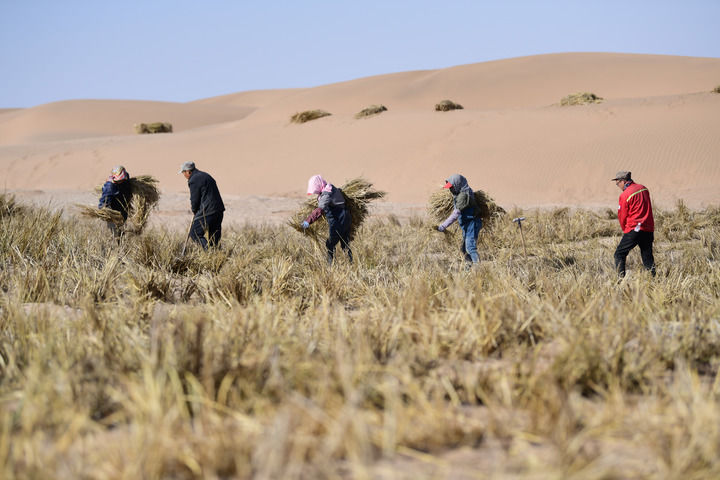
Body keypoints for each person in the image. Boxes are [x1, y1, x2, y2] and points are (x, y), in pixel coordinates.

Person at [612, 170, 656, 277]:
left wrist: (626, 230)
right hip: (648, 228)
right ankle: (653, 279)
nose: (618, 186)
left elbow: (622, 215)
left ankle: (620, 281)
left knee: (619, 254)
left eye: (618, 183)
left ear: (623, 181)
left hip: (634, 229)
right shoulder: (643, 188)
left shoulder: (625, 195)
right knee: (647, 256)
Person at [302, 175, 353, 264]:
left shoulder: (326, 194)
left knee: (330, 244)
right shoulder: (331, 188)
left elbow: (320, 209)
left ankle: (330, 264)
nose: (315, 192)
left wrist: (308, 221)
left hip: (338, 220)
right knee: (345, 243)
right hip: (346, 218)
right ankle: (350, 263)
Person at [437, 174, 482, 265]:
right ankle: (468, 268)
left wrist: (443, 226)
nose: (450, 190)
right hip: (467, 225)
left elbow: (456, 214)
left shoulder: (463, 196)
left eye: (452, 187)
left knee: (470, 247)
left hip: (472, 224)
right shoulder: (459, 194)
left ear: (457, 185)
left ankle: (478, 268)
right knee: (464, 249)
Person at [179, 161, 225, 249]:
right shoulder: (205, 175)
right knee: (214, 236)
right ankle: (215, 254)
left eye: (183, 172)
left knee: (195, 233)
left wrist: (194, 210)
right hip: (218, 210)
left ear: (188, 171)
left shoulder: (193, 180)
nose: (184, 175)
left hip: (208, 210)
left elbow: (195, 199)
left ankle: (208, 251)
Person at [98, 165, 132, 238]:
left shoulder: (126, 180)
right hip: (113, 212)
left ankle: (121, 241)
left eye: (122, 180)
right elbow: (103, 203)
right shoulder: (110, 186)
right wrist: (106, 212)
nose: (121, 181)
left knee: (122, 231)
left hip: (123, 209)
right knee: (115, 234)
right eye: (119, 180)